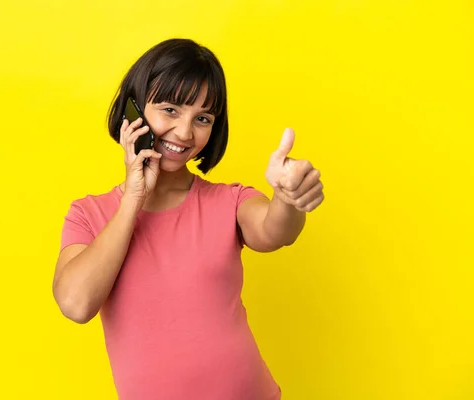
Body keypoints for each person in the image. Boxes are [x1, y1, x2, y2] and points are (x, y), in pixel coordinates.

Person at [52, 38, 324, 400]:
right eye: (170, 110)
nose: (184, 133)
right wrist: (135, 197)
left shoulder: (228, 200)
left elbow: (274, 230)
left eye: (202, 118)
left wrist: (288, 198)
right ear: (133, 110)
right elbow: (75, 303)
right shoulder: (89, 214)